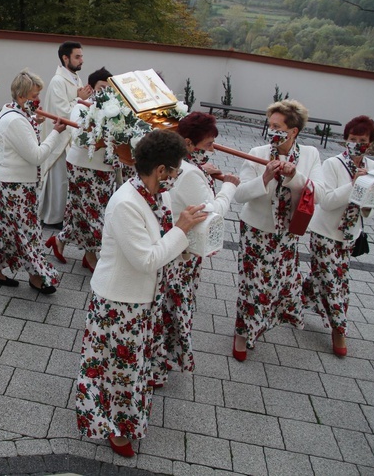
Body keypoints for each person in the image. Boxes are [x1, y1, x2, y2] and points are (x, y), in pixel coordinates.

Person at [75, 130, 207, 457]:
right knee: (118, 367)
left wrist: (185, 243)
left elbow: (160, 240)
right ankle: (115, 427)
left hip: (142, 300)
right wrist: (182, 231)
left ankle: (126, 417)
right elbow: (146, 259)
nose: (176, 178)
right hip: (119, 300)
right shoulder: (126, 203)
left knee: (131, 365)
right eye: (175, 171)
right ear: (160, 170)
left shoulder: (154, 194)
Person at [232, 100, 325, 361]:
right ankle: (241, 333)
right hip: (256, 230)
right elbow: (239, 194)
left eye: (278, 126)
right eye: (270, 125)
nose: (272, 130)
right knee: (252, 284)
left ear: (293, 131)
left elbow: (320, 193)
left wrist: (295, 176)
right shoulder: (258, 151)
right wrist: (264, 178)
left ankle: (261, 323)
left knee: (277, 284)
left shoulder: (310, 155)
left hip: (288, 233)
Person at [155, 112, 240, 385]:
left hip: (173, 245)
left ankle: (160, 360)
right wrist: (229, 187)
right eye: (208, 144)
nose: (212, 149)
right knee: (174, 308)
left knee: (167, 306)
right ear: (190, 144)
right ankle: (158, 364)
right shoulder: (189, 172)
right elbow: (212, 212)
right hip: (182, 251)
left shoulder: (180, 163)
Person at [0, 70, 70, 294]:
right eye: (35, 95)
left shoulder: (12, 110)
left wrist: (34, 119)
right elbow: (35, 155)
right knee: (28, 233)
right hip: (17, 186)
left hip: (11, 183)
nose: (39, 100)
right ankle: (37, 276)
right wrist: (56, 133)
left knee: (9, 230)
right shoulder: (16, 121)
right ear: (22, 97)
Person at [303, 116, 374, 357]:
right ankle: (339, 330)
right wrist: (354, 185)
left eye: (362, 140)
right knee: (336, 283)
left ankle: (293, 301)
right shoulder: (333, 165)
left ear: (370, 143)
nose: (357, 144)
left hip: (349, 235)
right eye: (353, 139)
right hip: (324, 233)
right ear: (345, 141)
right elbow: (326, 201)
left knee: (322, 278)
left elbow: (373, 205)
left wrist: (367, 199)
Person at [45, 67, 114, 272]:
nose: (105, 92)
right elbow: (78, 136)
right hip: (83, 166)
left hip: (106, 167)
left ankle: (59, 240)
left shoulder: (116, 110)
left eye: (109, 89)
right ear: (90, 88)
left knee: (80, 208)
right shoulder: (81, 106)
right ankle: (91, 255)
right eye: (101, 87)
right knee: (92, 212)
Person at [38, 41, 93, 228]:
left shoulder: (74, 78)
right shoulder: (57, 81)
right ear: (65, 58)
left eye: (82, 56)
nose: (81, 60)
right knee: (59, 180)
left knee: (66, 181)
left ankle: (63, 216)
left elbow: (76, 104)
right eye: (77, 57)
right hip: (61, 138)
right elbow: (62, 112)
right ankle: (53, 217)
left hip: (71, 137)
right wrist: (81, 100)